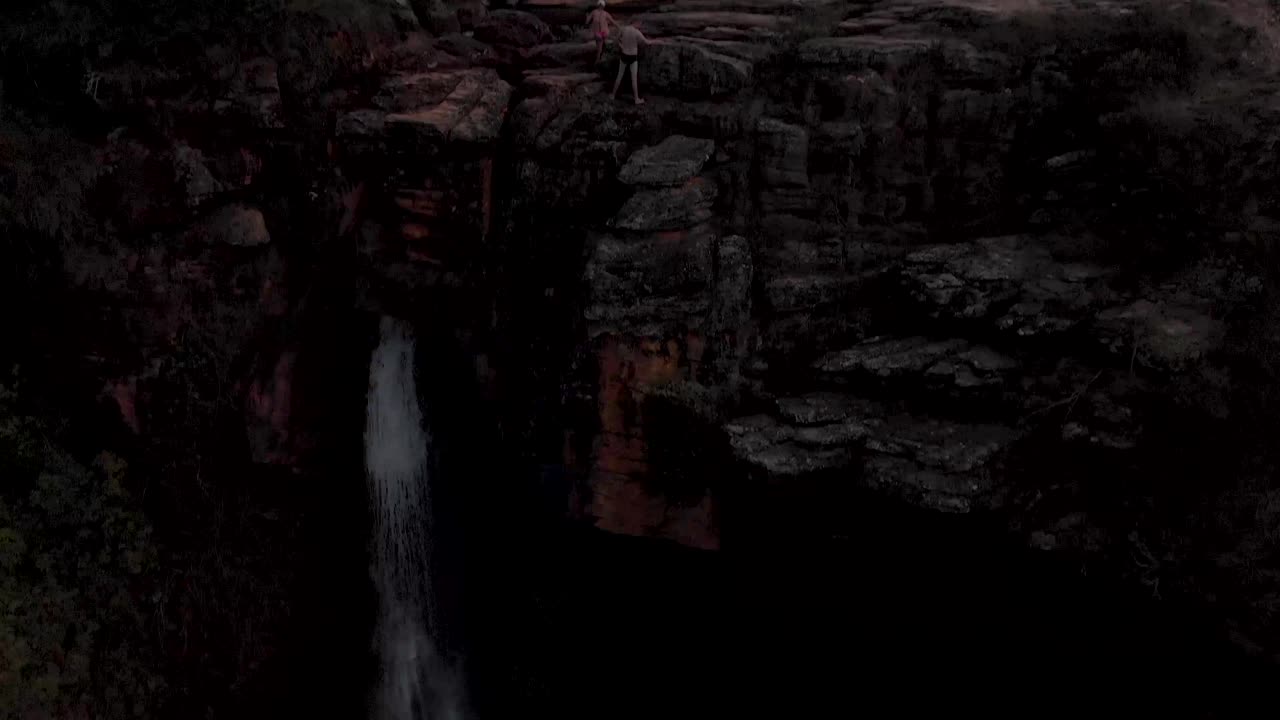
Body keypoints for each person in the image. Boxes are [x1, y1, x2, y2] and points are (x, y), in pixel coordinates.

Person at [611, 22, 654, 105]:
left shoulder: (623, 29)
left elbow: (616, 40)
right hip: (633, 56)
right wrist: (656, 41)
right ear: (636, 23)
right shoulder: (637, 32)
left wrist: (621, 46)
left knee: (619, 75)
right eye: (640, 24)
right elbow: (647, 42)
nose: (640, 26)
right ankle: (636, 99)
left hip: (624, 55)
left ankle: (613, 95)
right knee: (633, 78)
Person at [586, 0, 618, 65]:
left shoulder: (594, 12)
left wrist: (587, 17)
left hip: (598, 33)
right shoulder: (606, 13)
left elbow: (587, 22)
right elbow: (613, 22)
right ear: (603, 6)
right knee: (602, 45)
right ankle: (603, 58)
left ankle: (597, 61)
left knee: (599, 48)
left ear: (598, 5)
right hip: (605, 32)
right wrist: (620, 28)